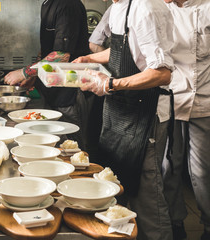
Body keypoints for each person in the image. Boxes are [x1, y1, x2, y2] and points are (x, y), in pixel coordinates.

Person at [73, 0, 175, 239]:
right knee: (121, 184)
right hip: (122, 109)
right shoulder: (120, 7)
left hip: (145, 112)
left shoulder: (146, 7)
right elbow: (127, 49)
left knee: (146, 194)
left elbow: (162, 72)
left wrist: (110, 84)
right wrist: (91, 59)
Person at [4, 0, 100, 154]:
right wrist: (34, 75)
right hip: (53, 89)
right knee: (57, 145)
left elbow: (61, 55)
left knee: (73, 148)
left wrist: (25, 72)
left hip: (70, 90)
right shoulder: (47, 4)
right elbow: (48, 49)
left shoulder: (68, 5)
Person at [161, 1, 210, 240]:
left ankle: (209, 226)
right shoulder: (160, 9)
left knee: (203, 172)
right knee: (168, 166)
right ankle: (174, 223)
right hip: (171, 97)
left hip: (206, 99)